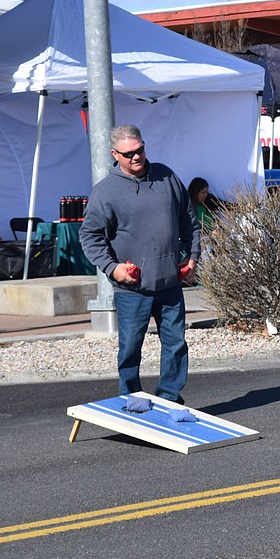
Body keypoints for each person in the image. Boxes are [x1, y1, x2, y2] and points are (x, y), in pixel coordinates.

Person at [79, 124, 199, 404]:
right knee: (131, 347)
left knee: (176, 344)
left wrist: (192, 257)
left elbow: (189, 220)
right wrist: (113, 268)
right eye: (129, 153)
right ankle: (131, 399)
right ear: (115, 154)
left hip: (169, 281)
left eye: (140, 149)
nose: (136, 157)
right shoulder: (106, 191)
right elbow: (89, 235)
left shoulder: (166, 177)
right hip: (132, 288)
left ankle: (169, 397)